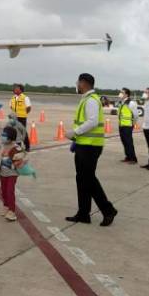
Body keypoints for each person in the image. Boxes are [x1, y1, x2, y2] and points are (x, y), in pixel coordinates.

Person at [64, 73, 118, 227]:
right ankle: (83, 213)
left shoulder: (91, 100)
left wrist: (75, 132)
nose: (77, 85)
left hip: (90, 146)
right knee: (82, 179)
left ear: (84, 83)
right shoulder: (87, 99)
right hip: (84, 144)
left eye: (78, 82)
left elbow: (92, 122)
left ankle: (108, 210)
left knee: (88, 179)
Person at [117, 88, 138, 164]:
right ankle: (128, 157)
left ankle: (133, 159)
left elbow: (135, 115)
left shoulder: (131, 103)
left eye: (122, 92)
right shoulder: (122, 102)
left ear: (126, 94)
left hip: (128, 125)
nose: (120, 93)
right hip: (121, 124)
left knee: (129, 142)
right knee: (124, 142)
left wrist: (133, 123)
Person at [10, 84, 32, 151]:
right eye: (14, 88)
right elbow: (11, 106)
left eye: (16, 89)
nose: (14, 89)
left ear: (21, 90)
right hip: (14, 117)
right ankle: (18, 146)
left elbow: (28, 107)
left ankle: (27, 146)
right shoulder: (13, 98)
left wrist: (24, 113)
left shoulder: (25, 97)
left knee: (23, 132)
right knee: (16, 132)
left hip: (22, 117)